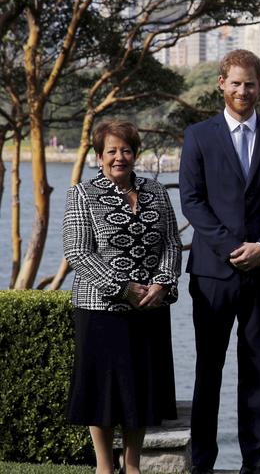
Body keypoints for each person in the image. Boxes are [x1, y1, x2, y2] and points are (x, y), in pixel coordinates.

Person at [179, 49, 260, 474]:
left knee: (256, 370)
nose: (243, 91)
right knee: (208, 369)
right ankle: (202, 461)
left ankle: (256, 463)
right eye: (235, 83)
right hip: (213, 272)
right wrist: (233, 247)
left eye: (250, 83)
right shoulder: (198, 136)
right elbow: (192, 201)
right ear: (221, 84)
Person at [63, 120, 182, 474]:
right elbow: (78, 252)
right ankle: (104, 467)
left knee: (140, 390)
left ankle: (133, 466)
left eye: (126, 150)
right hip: (101, 310)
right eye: (112, 151)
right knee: (102, 392)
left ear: (135, 154)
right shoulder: (82, 194)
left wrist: (162, 283)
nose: (120, 157)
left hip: (149, 309)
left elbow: (172, 243)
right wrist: (124, 288)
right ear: (99, 157)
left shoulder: (156, 192)